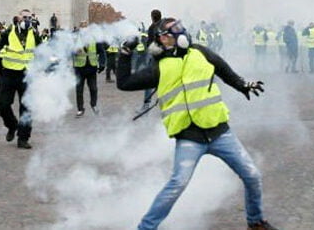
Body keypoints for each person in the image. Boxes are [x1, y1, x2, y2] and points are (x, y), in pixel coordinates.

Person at [115, 17, 276, 230]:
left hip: (219, 132)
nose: (161, 41)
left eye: (164, 36)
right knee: (177, 184)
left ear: (178, 37)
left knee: (252, 175)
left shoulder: (201, 52)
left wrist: (243, 85)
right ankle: (145, 228)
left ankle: (255, 222)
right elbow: (124, 83)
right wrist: (125, 55)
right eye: (160, 37)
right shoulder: (160, 67)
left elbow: (224, 71)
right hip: (189, 137)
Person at [0, 10, 42, 149]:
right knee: (3, 104)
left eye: (30, 17)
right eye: (24, 17)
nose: (27, 20)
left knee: (27, 108)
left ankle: (23, 138)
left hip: (27, 76)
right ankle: (12, 126)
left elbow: (42, 51)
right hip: (8, 74)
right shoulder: (8, 33)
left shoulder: (34, 34)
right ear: (17, 18)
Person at [72, 25, 104, 117]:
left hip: (91, 67)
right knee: (79, 90)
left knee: (93, 88)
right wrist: (74, 51)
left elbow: (101, 51)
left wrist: (102, 64)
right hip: (79, 68)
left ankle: (94, 104)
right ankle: (80, 109)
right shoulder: (75, 38)